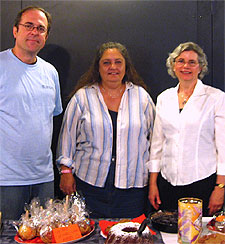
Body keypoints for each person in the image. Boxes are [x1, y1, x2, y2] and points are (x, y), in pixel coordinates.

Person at [56, 42, 155, 218]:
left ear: (126, 66)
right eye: (106, 62)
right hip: (90, 184)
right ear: (98, 67)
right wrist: (65, 172)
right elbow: (67, 138)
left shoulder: (142, 97)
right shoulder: (83, 97)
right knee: (90, 235)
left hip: (132, 186)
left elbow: (156, 141)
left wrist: (154, 180)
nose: (113, 67)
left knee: (128, 235)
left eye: (118, 62)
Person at [148, 42, 225, 216]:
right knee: (168, 238)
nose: (186, 66)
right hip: (167, 184)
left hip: (201, 183)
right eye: (181, 61)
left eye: (192, 62)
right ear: (173, 66)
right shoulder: (164, 98)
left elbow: (223, 147)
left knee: (198, 238)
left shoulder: (216, 98)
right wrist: (153, 184)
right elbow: (157, 145)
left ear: (201, 67)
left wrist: (220, 187)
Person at [0, 6, 63, 220]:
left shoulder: (50, 73)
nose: (34, 32)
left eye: (41, 28)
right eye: (29, 26)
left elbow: (52, 115)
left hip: (44, 178)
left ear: (45, 36)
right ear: (15, 30)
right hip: (6, 180)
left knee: (42, 237)